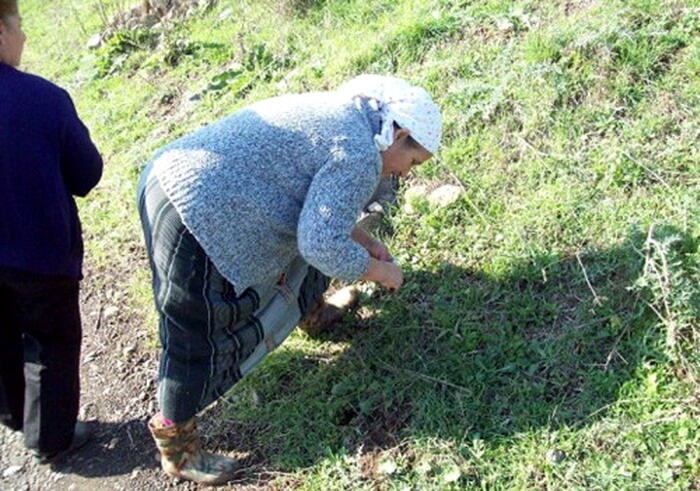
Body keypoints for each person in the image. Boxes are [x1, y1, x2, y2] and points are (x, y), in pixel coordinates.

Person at [137, 74, 441, 485]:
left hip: (179, 175)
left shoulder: (353, 118)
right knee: (194, 330)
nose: (406, 174)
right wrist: (381, 271)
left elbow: (316, 204)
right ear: (400, 134)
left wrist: (364, 242)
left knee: (317, 248)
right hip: (194, 207)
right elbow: (321, 244)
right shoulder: (359, 153)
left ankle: (311, 313)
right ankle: (178, 449)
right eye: (414, 161)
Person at [0, 0, 103, 463]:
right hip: (38, 254)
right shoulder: (43, 98)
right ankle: (50, 438)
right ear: (0, 33)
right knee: (52, 343)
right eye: (20, 26)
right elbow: (86, 174)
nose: (24, 37)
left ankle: (12, 414)